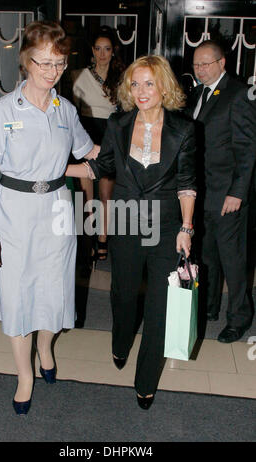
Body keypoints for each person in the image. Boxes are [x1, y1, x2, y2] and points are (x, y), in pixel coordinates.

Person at [0, 20, 99, 415]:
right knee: (17, 296)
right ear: (27, 60)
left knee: (54, 291)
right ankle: (23, 376)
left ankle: (45, 347)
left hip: (57, 213)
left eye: (60, 64)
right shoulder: (2, 110)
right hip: (12, 216)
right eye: (44, 63)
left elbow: (89, 155)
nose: (52, 72)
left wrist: (142, 141)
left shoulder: (65, 110)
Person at [66, 55, 197, 409]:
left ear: (164, 87)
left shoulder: (184, 129)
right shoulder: (118, 124)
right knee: (124, 295)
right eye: (135, 84)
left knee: (158, 307)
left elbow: (186, 183)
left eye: (149, 83)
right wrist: (56, 167)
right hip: (126, 223)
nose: (141, 91)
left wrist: (186, 228)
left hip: (167, 227)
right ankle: (120, 340)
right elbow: (102, 165)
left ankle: (145, 379)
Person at [188, 40, 256, 343]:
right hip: (201, 193)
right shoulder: (196, 94)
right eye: (196, 64)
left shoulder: (239, 94)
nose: (200, 69)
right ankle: (210, 307)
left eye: (206, 64)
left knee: (233, 259)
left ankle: (239, 318)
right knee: (207, 256)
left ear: (221, 63)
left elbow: (248, 148)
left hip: (228, 194)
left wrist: (237, 192)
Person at [71, 26, 125, 263]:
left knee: (106, 196)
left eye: (107, 49)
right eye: (98, 49)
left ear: (113, 51)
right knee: (87, 197)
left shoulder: (122, 77)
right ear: (92, 51)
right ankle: (88, 241)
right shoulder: (77, 75)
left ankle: (103, 239)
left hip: (110, 137)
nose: (102, 53)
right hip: (85, 135)